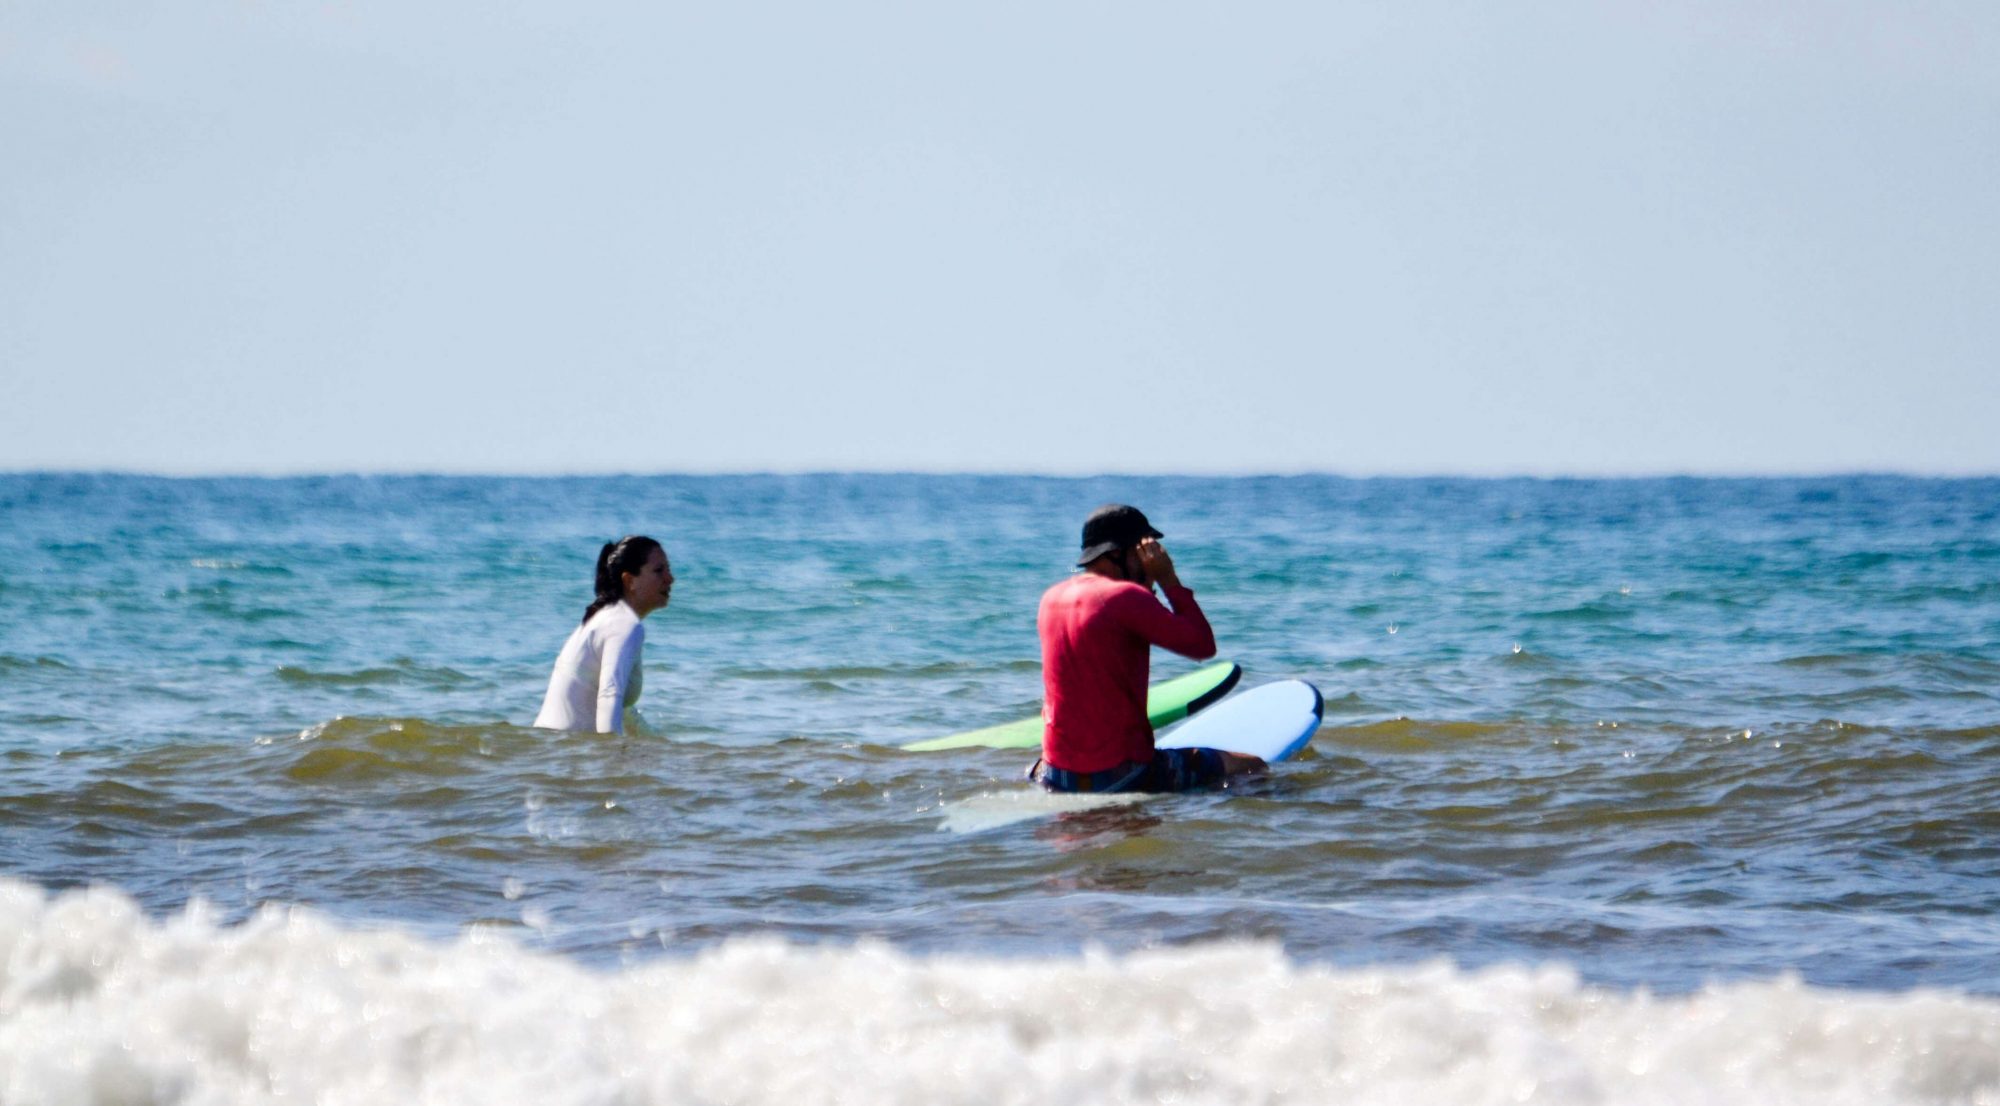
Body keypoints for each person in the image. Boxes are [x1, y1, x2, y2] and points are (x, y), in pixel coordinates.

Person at [1030, 504, 1264, 792]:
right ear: (1120, 553)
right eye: (1145, 552)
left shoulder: (1051, 598)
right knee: (1252, 766)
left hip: (1056, 775)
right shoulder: (1125, 597)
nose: (1150, 562)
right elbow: (1202, 645)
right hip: (1121, 775)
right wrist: (1168, 580)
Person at [533, 535, 674, 735]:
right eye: (659, 571)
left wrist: (661, 747)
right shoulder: (624, 625)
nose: (670, 578)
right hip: (565, 755)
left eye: (668, 569)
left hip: (554, 752)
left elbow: (624, 711)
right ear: (629, 581)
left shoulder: (608, 618)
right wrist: (612, 760)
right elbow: (609, 695)